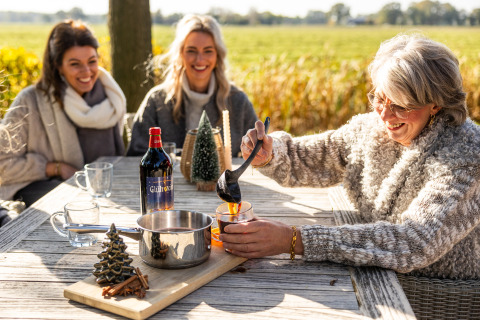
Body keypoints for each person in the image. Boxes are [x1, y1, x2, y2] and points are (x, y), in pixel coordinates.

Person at [219, 33, 480, 281]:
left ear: (436, 103)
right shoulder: (371, 130)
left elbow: (414, 242)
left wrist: (294, 240)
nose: (385, 116)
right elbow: (312, 157)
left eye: (401, 106)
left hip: (433, 293)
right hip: (372, 270)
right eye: (379, 98)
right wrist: (269, 154)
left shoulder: (465, 155)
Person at [0, 20, 126, 206]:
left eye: (92, 61)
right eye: (75, 64)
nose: (87, 72)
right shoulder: (29, 101)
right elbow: (3, 165)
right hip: (47, 198)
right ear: (57, 66)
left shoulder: (110, 98)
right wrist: (53, 168)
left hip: (106, 194)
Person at [126, 14, 257, 157]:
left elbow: (259, 153)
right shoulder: (157, 100)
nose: (200, 60)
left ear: (218, 55)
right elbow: (136, 155)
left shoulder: (237, 100)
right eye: (191, 51)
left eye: (208, 51)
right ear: (180, 54)